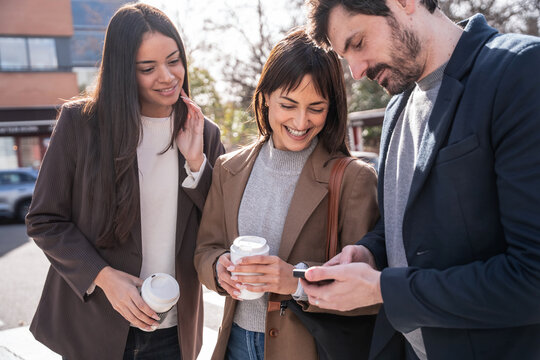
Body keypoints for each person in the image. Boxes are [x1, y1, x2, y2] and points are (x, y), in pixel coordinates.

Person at [301, 0, 540, 359]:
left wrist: (384, 289)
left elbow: (532, 277)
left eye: (358, 43)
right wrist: (369, 252)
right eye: (344, 57)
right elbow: (405, 221)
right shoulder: (398, 105)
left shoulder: (519, 70)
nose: (356, 70)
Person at [25, 3, 225, 360]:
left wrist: (197, 163)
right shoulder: (81, 125)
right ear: (122, 71)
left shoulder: (203, 132)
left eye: (174, 60)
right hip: (95, 328)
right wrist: (103, 276)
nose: (167, 76)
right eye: (147, 68)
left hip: (173, 332)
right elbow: (45, 220)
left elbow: (218, 226)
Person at [194, 29, 379, 360]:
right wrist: (219, 267)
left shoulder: (354, 179)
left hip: (307, 350)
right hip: (234, 344)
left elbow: (366, 290)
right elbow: (206, 249)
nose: (300, 120)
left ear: (331, 106)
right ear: (265, 97)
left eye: (316, 108)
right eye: (288, 104)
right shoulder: (228, 169)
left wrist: (295, 281)